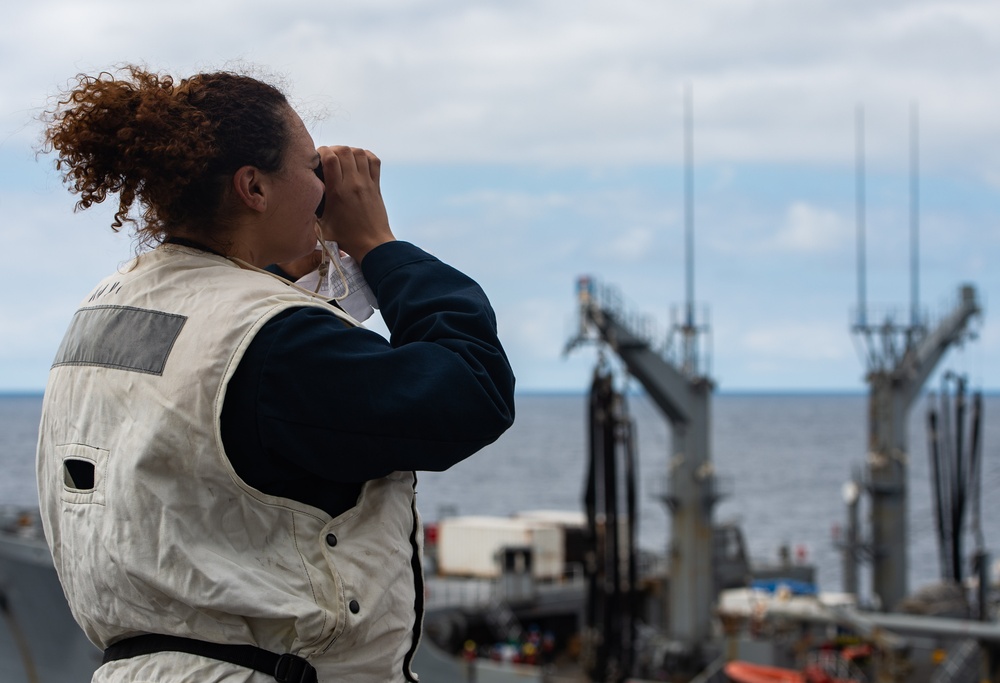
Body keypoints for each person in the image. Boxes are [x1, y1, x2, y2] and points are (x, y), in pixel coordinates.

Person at [36, 66, 515, 683]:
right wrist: (378, 243)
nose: (325, 189)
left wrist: (300, 287)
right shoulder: (272, 342)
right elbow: (473, 388)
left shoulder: (102, 310)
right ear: (254, 188)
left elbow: (217, 414)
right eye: (313, 168)